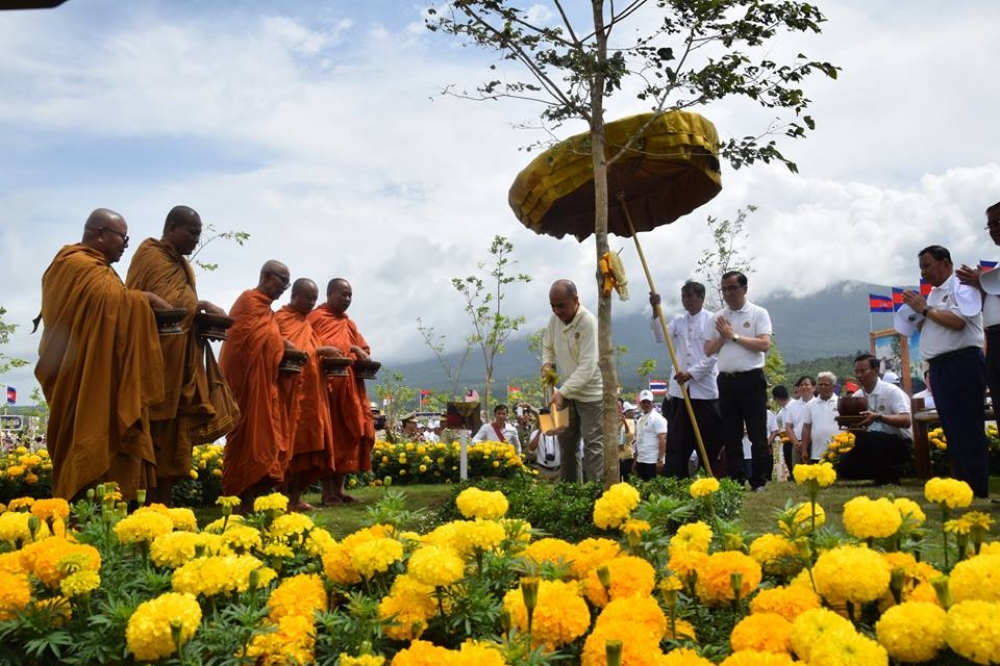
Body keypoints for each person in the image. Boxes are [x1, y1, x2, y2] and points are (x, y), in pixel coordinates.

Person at [35, 208, 169, 501]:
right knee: (85, 440)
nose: (125, 245)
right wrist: (143, 300)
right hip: (80, 377)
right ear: (100, 234)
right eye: (123, 237)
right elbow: (108, 304)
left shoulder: (99, 272)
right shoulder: (75, 265)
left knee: (103, 450)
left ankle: (105, 515)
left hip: (100, 376)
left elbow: (112, 312)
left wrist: (133, 303)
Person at [125, 205, 226, 505]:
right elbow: (133, 302)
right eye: (191, 232)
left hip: (181, 365)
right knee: (151, 435)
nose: (196, 239)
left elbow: (182, 306)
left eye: (198, 234)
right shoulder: (149, 256)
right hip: (153, 364)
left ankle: (164, 506)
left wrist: (202, 309)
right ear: (171, 228)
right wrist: (192, 309)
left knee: (174, 437)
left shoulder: (184, 266)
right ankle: (143, 507)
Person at [903, 245, 988, 498]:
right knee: (952, 430)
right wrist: (918, 315)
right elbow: (934, 322)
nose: (923, 272)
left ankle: (976, 488)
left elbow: (959, 322)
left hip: (962, 362)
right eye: (921, 268)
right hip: (940, 367)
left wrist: (925, 309)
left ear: (945, 263)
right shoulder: (932, 294)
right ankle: (961, 486)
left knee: (968, 428)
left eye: (927, 266)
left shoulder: (960, 286)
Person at [219, 260, 295, 513]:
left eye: (287, 283)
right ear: (266, 275)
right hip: (246, 387)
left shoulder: (268, 312)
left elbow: (268, 341)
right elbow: (240, 345)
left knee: (262, 442)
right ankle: (238, 502)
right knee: (244, 441)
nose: (284, 287)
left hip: (263, 387)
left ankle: (249, 501)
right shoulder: (248, 303)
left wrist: (282, 344)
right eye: (282, 281)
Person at [308, 278, 376, 503]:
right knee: (330, 438)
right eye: (343, 294)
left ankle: (339, 490)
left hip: (350, 389)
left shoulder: (349, 324)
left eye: (350, 295)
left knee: (351, 434)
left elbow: (363, 347)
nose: (347, 299)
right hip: (327, 388)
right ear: (329, 294)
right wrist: (351, 348)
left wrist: (360, 352)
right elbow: (310, 347)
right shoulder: (316, 318)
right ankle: (326, 492)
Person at [704, 271, 773, 490]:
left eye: (732, 288)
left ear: (744, 289)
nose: (728, 293)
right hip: (726, 380)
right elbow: (708, 350)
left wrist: (734, 336)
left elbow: (764, 344)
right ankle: (736, 479)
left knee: (756, 433)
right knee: (731, 434)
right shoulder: (718, 318)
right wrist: (723, 337)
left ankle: (759, 480)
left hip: (751, 378)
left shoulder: (758, 313)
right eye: (724, 289)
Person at [275, 278, 338, 512]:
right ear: (294, 296)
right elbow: (275, 346)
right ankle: (282, 499)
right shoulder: (280, 318)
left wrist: (321, 352)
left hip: (311, 396)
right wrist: (317, 351)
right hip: (289, 394)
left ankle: (296, 497)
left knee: (306, 449)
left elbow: (307, 352)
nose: (312, 303)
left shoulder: (306, 323)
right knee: (288, 447)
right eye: (308, 298)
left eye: (314, 299)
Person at [651, 280, 723, 478]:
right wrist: (656, 310)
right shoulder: (679, 320)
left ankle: (711, 477)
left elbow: (713, 356)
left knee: (709, 438)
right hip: (680, 391)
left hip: (704, 390)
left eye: (690, 296)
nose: (686, 300)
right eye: (684, 296)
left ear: (701, 297)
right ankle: (677, 478)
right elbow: (661, 337)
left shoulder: (713, 320)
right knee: (678, 439)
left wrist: (691, 373)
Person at [542, 279, 604, 483]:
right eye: (552, 306)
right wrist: (547, 364)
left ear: (576, 300)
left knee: (593, 447)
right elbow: (547, 346)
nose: (556, 311)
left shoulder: (588, 322)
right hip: (566, 394)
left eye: (561, 306)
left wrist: (561, 392)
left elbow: (588, 367)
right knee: (567, 447)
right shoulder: (554, 321)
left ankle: (597, 494)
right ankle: (569, 494)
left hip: (591, 395)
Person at [837, 354, 913, 484]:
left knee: (868, 439)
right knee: (844, 467)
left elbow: (906, 420)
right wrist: (851, 425)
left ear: (876, 370)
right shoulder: (857, 396)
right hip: (869, 443)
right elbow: (857, 427)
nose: (859, 375)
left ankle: (889, 477)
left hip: (899, 442)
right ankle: (882, 473)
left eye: (863, 371)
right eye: (856, 371)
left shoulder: (891, 391)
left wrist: (878, 417)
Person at [956, 200, 1000, 413]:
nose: (994, 230)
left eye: (998, 223)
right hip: (993, 339)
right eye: (990, 226)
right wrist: (978, 286)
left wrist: (981, 279)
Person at [801, 371, 840, 462]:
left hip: (839, 453)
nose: (823, 387)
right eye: (820, 384)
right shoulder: (810, 405)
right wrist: (804, 450)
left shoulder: (841, 402)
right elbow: (806, 428)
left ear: (833, 386)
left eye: (826, 384)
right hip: (817, 454)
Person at [632, 390, 667, 480]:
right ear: (640, 404)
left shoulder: (657, 418)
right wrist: (635, 460)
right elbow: (638, 442)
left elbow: (663, 439)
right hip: (641, 460)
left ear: (653, 403)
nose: (646, 404)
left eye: (648, 402)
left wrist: (660, 460)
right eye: (644, 402)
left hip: (653, 461)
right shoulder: (639, 420)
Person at [784, 376, 814, 472]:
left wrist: (806, 442)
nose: (804, 387)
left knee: (815, 472)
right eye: (801, 385)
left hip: (815, 443)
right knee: (798, 473)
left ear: (814, 387)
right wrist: (796, 443)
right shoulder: (792, 406)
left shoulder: (818, 404)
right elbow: (788, 427)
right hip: (797, 444)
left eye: (807, 385)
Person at [618, 401, 637, 481]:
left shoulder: (630, 422)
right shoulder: (612, 422)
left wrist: (624, 423)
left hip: (627, 456)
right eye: (631, 410)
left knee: (628, 480)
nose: (633, 412)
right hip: (617, 458)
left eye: (620, 407)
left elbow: (629, 437)